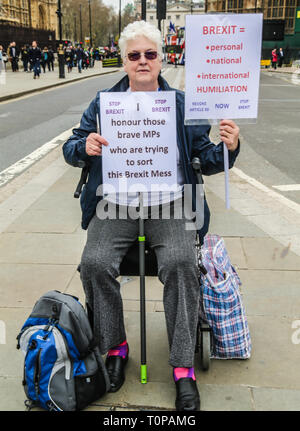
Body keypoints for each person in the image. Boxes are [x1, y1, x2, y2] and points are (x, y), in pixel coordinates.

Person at [63, 20, 240, 411]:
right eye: (134, 55)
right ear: (124, 61)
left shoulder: (182, 104)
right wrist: (86, 146)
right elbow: (72, 147)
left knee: (180, 263)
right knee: (93, 263)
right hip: (116, 203)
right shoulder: (102, 102)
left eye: (150, 54)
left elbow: (207, 159)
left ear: (161, 58)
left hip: (171, 202)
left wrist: (229, 146)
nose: (142, 61)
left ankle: (182, 367)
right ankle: (115, 347)